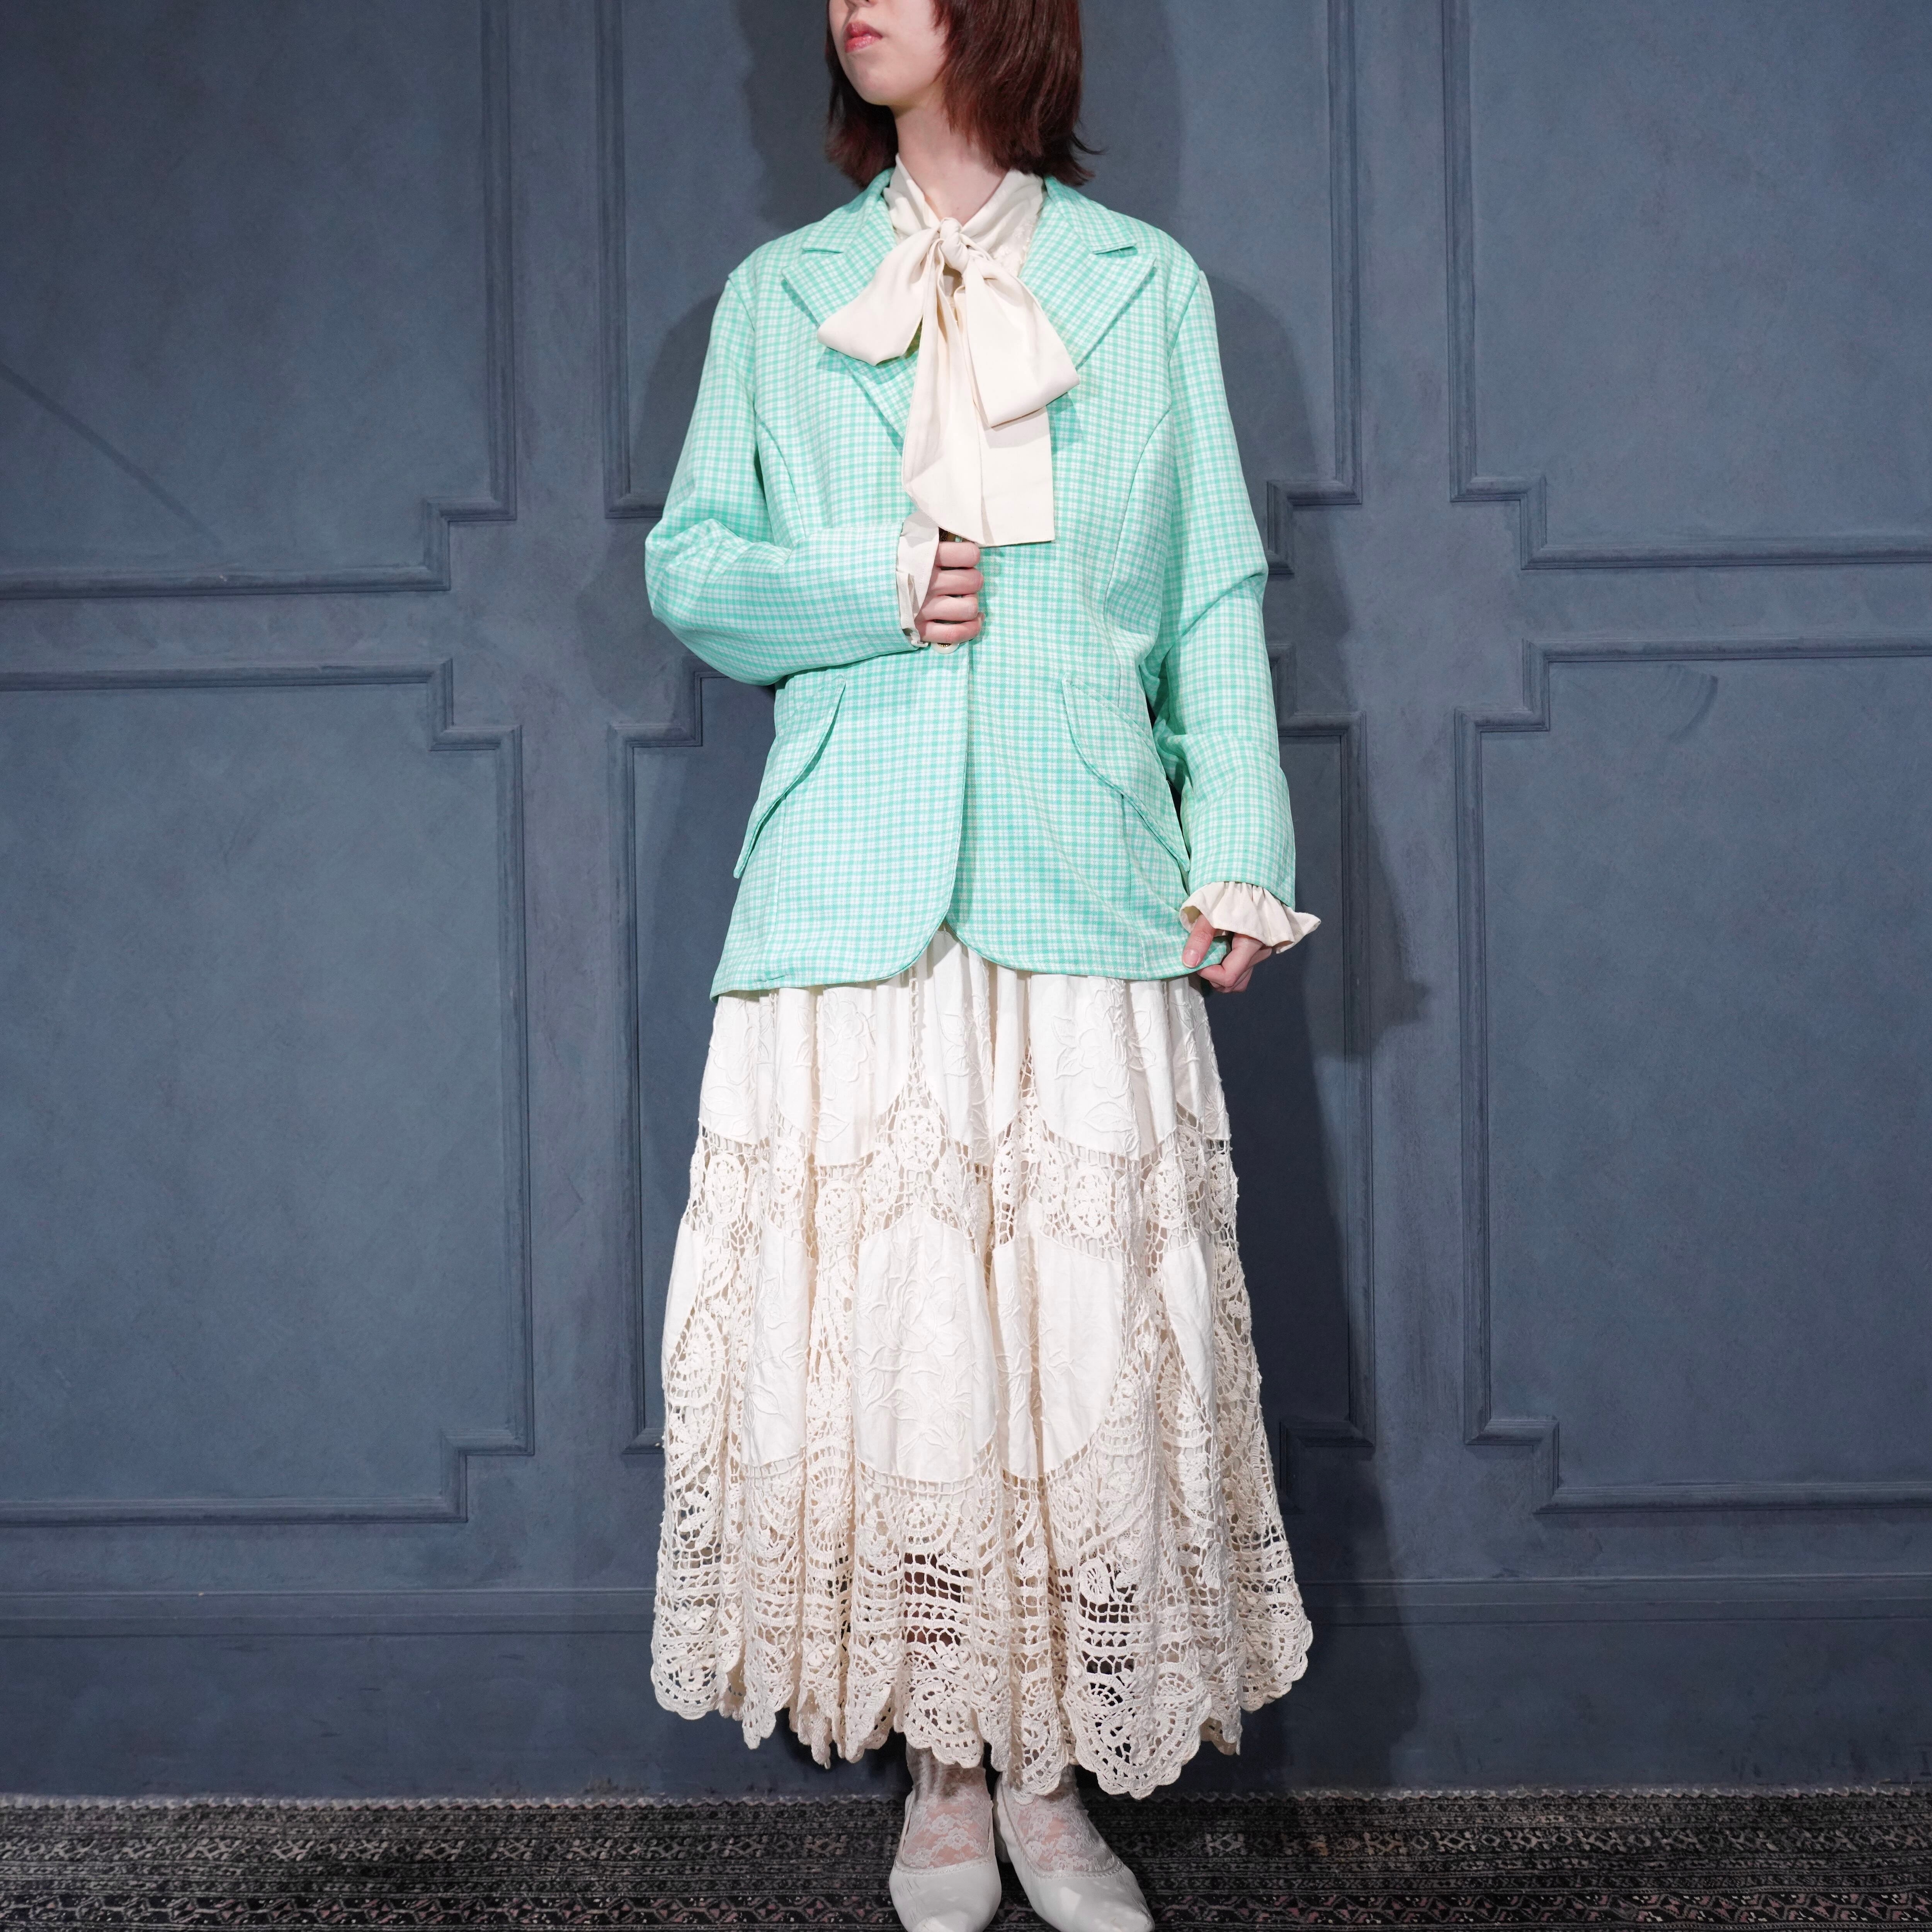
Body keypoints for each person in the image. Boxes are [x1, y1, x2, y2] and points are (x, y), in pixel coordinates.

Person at [644, 3, 1317, 1927]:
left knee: (1073, 1345)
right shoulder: (779, 299)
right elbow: (692, 564)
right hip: (846, 888)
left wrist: (1240, 843)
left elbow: (1207, 590)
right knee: (898, 1349)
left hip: (1078, 864)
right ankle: (940, 1775)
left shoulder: (1141, 289)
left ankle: (1046, 1776)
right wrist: (862, 583)